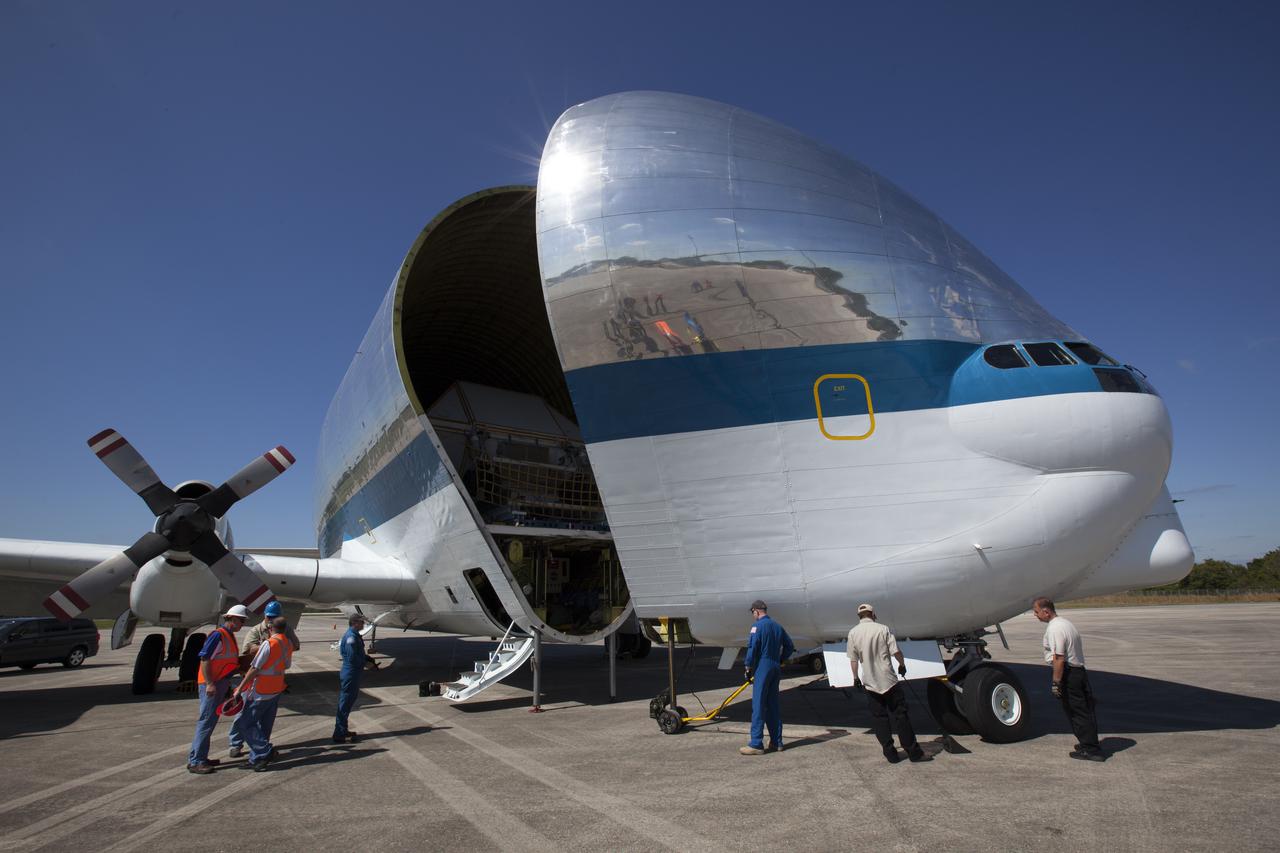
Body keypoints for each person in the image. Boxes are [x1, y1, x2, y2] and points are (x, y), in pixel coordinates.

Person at [846, 603, 930, 763]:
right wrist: (902, 665)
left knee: (880, 719)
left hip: (870, 683)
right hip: (889, 681)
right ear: (872, 614)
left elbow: (853, 659)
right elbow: (895, 651)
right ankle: (913, 752)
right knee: (901, 716)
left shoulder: (853, 633)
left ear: (859, 616)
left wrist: (855, 678)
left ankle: (891, 754)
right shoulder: (883, 629)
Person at [1033, 597, 1104, 761]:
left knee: (1076, 712)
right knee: (1084, 710)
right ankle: (1089, 743)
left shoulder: (1055, 629)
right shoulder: (1066, 623)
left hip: (1069, 674)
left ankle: (1091, 750)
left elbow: (1058, 657)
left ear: (1046, 611)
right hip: (1079, 670)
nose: (1035, 615)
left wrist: (1056, 682)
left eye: (1036, 612)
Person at [228, 599, 299, 758]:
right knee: (243, 716)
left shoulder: (284, 631)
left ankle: (261, 748)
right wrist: (268, 646)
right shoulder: (256, 631)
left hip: (272, 684)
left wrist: (279, 644)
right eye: (270, 617)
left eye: (274, 617)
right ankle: (236, 743)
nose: (271, 620)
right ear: (265, 616)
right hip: (253, 682)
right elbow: (248, 649)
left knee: (265, 719)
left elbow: (295, 645)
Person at [186, 604, 249, 774]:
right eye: (241, 621)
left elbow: (225, 662)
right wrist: (209, 683)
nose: (242, 624)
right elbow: (205, 659)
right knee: (206, 722)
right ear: (232, 619)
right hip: (212, 684)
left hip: (221, 682)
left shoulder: (228, 636)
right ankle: (196, 761)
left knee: (210, 722)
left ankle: (200, 757)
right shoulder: (218, 635)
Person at [739, 600, 795, 755]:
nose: (752, 616)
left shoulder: (757, 627)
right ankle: (777, 742)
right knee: (773, 705)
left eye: (752, 613)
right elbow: (789, 645)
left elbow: (752, 647)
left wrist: (748, 666)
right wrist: (781, 659)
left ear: (756, 611)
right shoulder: (777, 626)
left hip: (763, 666)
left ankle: (756, 743)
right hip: (775, 666)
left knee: (758, 705)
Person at [333, 613, 373, 743]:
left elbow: (356, 653)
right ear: (355, 623)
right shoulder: (351, 637)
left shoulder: (354, 635)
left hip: (353, 672)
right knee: (345, 703)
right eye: (361, 622)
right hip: (351, 672)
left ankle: (342, 730)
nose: (363, 625)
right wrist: (365, 663)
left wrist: (366, 658)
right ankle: (339, 733)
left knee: (348, 702)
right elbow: (352, 657)